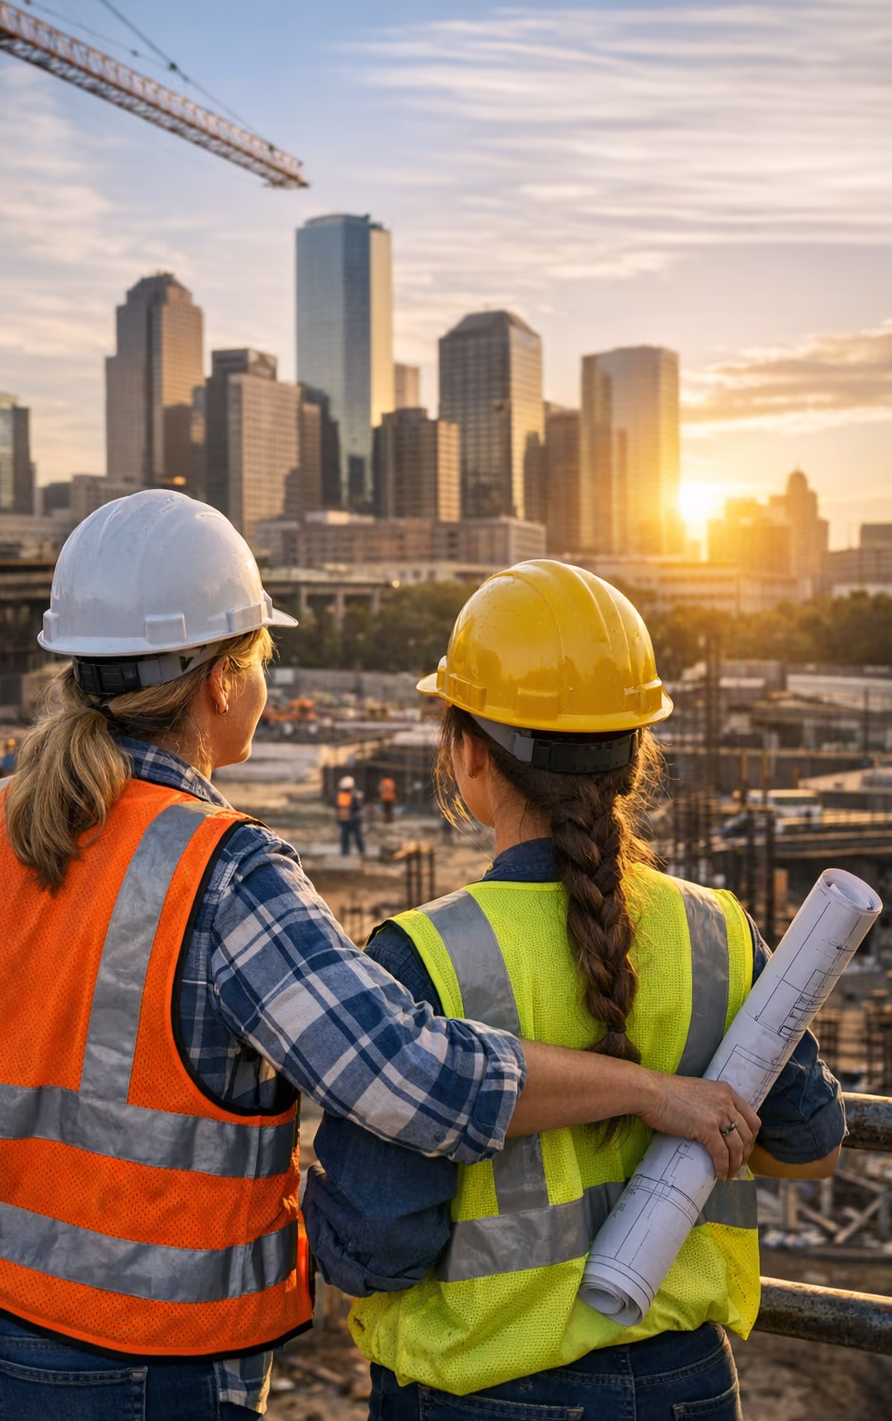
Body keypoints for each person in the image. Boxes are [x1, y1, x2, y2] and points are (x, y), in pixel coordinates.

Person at [0, 504, 758, 1421]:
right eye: (260, 660)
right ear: (223, 682)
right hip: (119, 1361)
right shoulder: (222, 870)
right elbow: (409, 1078)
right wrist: (648, 1091)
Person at [304, 560, 844, 1421]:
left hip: (482, 1387)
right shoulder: (721, 932)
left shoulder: (430, 956)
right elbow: (811, 1147)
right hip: (689, 1386)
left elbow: (379, 1244)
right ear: (636, 755)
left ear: (468, 754)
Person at [336, 772, 365, 856]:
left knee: (356, 837)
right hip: (346, 820)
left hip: (352, 820)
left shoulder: (353, 796)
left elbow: (358, 808)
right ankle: (345, 853)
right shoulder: (343, 796)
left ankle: (360, 851)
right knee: (346, 838)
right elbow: (339, 808)